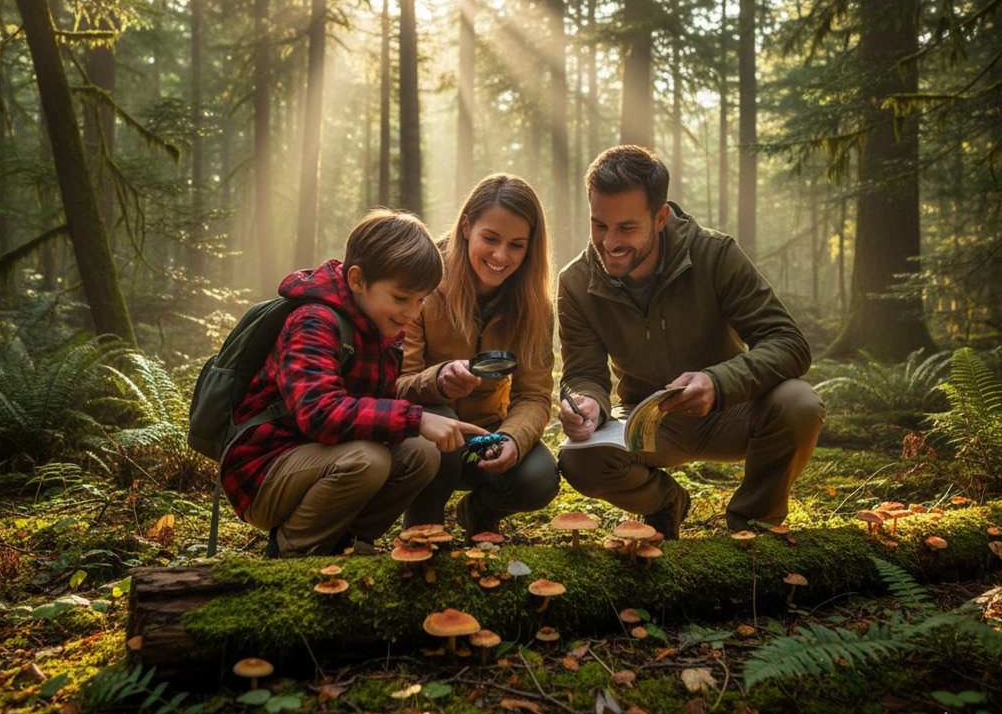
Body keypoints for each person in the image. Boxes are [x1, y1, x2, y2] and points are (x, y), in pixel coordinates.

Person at [557, 145, 825, 537]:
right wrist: (589, 405)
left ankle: (753, 526)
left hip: (732, 410)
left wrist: (718, 383)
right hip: (647, 423)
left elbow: (788, 342)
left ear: (661, 217)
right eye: (599, 225)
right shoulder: (577, 281)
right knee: (578, 459)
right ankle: (666, 504)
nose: (609, 242)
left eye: (627, 228)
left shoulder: (715, 255)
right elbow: (583, 372)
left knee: (800, 404)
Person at [220, 208, 486, 557]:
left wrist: (429, 405)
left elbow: (376, 408)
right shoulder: (314, 320)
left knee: (422, 452)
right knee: (368, 459)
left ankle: (347, 546)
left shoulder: (381, 330)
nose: (412, 312)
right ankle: (289, 553)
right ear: (358, 280)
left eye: (421, 300)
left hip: (320, 462)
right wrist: (417, 418)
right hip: (264, 471)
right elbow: (319, 414)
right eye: (401, 298)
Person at [397, 174, 560, 540]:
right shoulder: (424, 280)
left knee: (540, 478)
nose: (501, 256)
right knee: (440, 425)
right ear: (467, 226)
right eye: (490, 239)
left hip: (487, 437)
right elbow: (394, 385)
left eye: (517, 245)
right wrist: (437, 380)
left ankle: (479, 514)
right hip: (424, 440)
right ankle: (423, 532)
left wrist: (512, 439)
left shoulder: (534, 303)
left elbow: (534, 395)